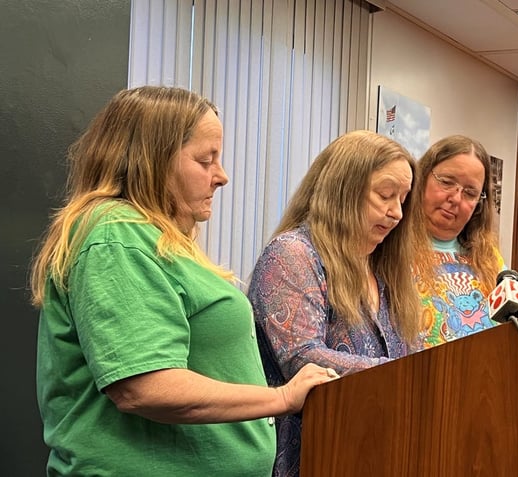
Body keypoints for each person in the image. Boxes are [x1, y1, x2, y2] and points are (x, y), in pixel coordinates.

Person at [29, 86, 337, 476]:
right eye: (205, 160)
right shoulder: (116, 237)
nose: (221, 176)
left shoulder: (158, 239)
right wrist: (283, 397)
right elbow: (146, 388)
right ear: (151, 161)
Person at [248, 130, 426, 477]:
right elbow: (303, 358)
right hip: (309, 456)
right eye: (386, 195)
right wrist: (411, 375)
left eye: (403, 199)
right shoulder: (293, 255)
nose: (397, 213)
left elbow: (413, 354)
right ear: (342, 190)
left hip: (380, 451)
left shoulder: (386, 271)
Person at [414, 135, 505, 347]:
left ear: (479, 204)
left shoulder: (490, 259)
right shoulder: (389, 247)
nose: (455, 198)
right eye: (446, 182)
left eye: (470, 193)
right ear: (422, 177)